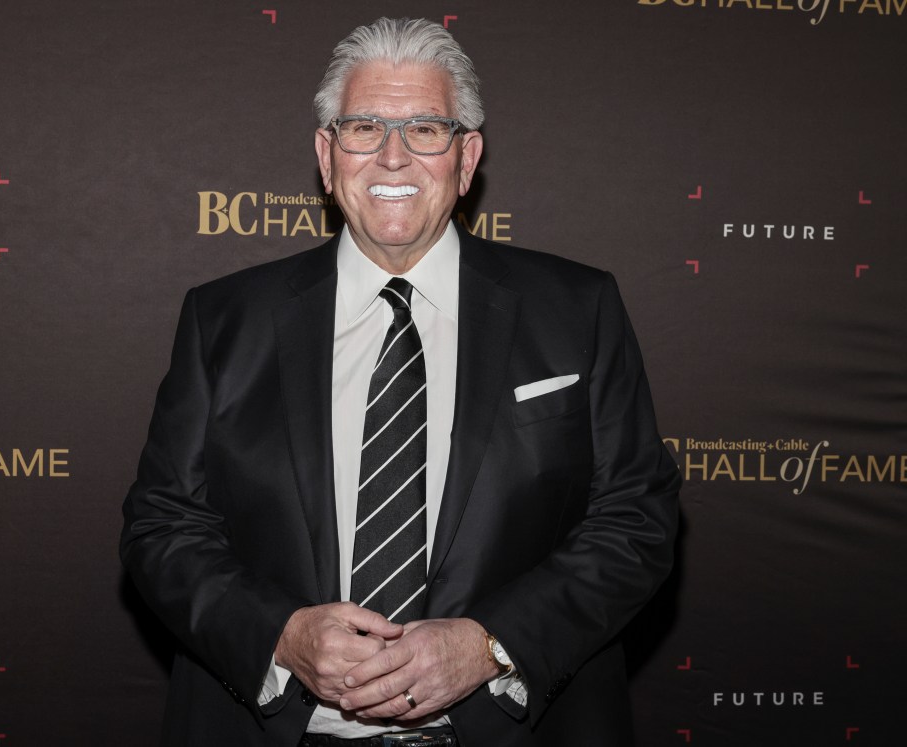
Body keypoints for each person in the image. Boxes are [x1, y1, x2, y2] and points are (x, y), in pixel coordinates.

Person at [121, 16, 680, 747]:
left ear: (467, 155)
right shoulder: (224, 319)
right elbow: (161, 525)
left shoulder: (578, 310)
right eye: (362, 128)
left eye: (425, 129)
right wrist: (284, 636)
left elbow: (637, 516)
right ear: (327, 155)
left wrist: (488, 645)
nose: (392, 158)